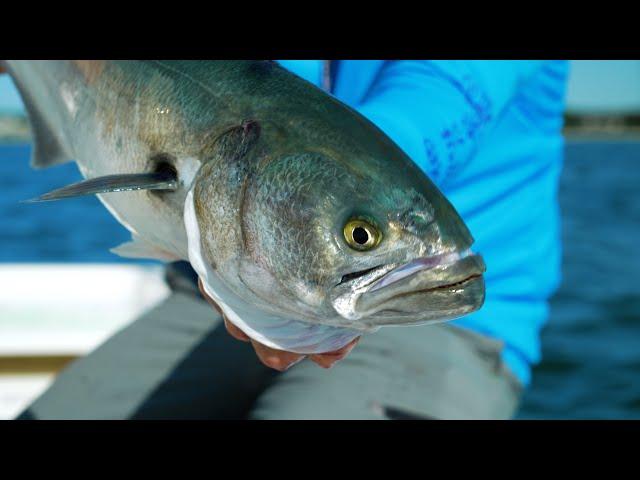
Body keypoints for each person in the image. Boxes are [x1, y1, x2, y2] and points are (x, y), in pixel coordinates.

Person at [8, 60, 568, 419]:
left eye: (360, 235)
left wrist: (349, 227)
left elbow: (445, 91)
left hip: (440, 331)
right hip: (216, 286)